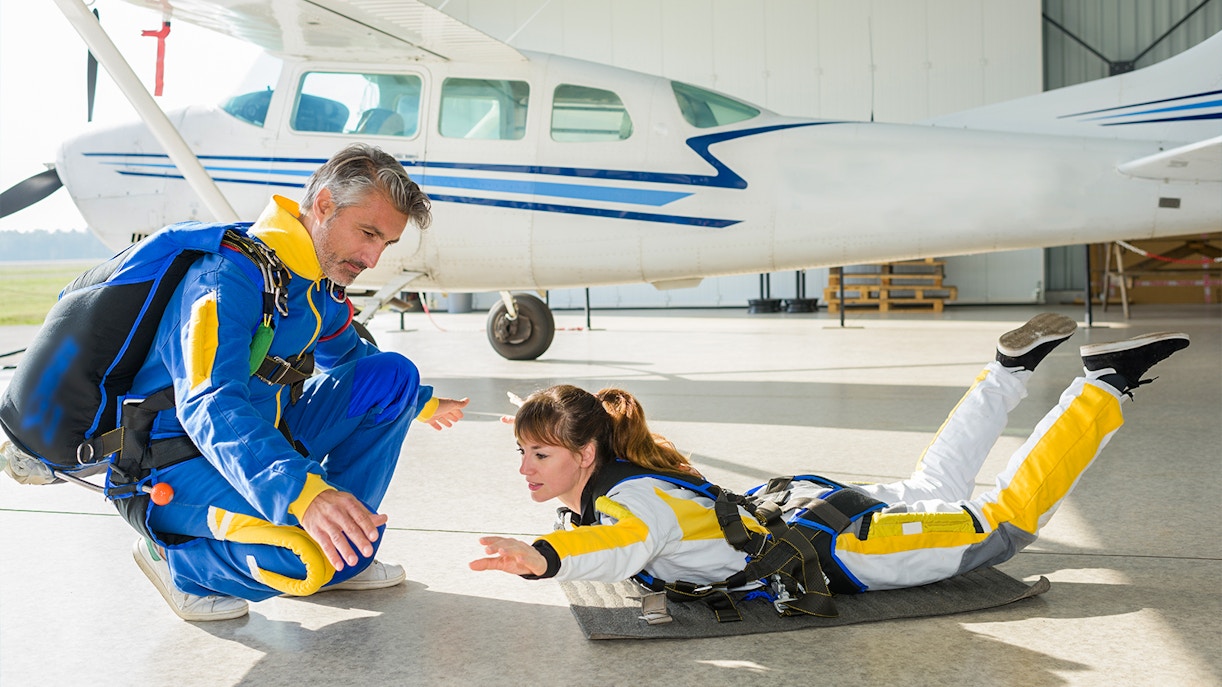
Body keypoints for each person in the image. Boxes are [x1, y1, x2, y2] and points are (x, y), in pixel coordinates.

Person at [470, 314, 1189, 607]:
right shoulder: (620, 466)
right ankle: (1009, 368)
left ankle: (1104, 383)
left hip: (854, 552)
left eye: (540, 454)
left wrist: (544, 555)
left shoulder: (633, 504)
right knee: (933, 483)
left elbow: (617, 542)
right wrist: (537, 437)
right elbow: (604, 515)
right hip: (816, 520)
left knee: (1003, 523)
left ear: (586, 451)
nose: (526, 468)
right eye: (523, 452)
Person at [126, 143, 468, 621]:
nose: (372, 258)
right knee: (300, 558)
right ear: (324, 204)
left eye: (385, 244)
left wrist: (423, 402)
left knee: (395, 376)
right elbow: (209, 404)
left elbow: (351, 359)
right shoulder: (226, 277)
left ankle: (341, 552)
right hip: (177, 458)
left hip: (267, 435)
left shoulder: (315, 281)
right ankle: (176, 561)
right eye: (367, 233)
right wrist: (301, 493)